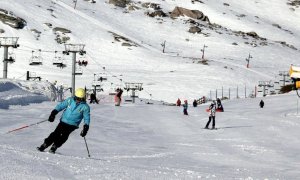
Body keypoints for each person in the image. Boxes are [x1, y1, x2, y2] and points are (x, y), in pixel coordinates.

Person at [37, 88, 91, 154]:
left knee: (64, 135)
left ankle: (55, 146)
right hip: (63, 121)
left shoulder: (85, 107)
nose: (78, 100)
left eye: (80, 99)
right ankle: (45, 144)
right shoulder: (70, 100)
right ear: (75, 96)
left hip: (73, 124)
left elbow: (87, 118)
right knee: (56, 133)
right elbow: (60, 106)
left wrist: (86, 127)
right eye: (77, 98)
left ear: (83, 98)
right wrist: (53, 113)